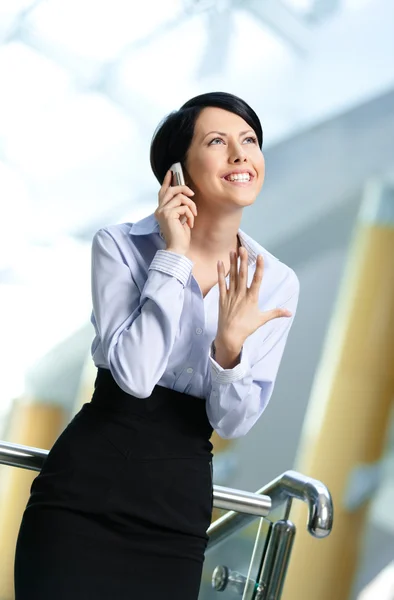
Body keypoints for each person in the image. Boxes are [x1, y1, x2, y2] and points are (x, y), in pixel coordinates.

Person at [14, 91, 299, 599]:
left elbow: (234, 421)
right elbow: (135, 375)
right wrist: (174, 256)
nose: (241, 154)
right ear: (177, 173)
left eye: (250, 140)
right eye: (218, 141)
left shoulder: (275, 281)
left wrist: (229, 350)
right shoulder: (120, 245)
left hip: (177, 506)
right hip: (85, 492)